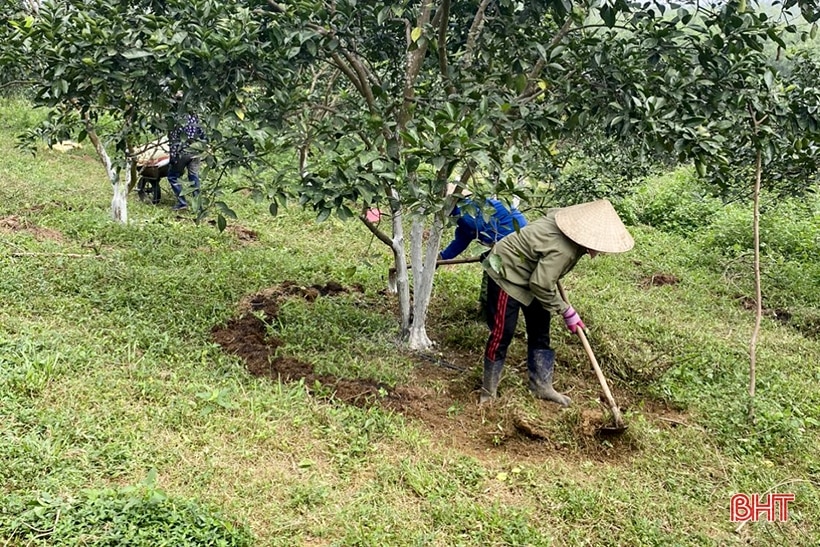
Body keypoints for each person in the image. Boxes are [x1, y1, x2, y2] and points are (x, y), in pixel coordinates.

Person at [480, 199, 634, 405]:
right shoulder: (565, 250)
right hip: (507, 272)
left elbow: (543, 278)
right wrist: (566, 310)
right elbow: (541, 284)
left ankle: (541, 386)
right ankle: (488, 393)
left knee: (540, 328)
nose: (603, 251)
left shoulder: (566, 221)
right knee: (502, 333)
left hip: (535, 273)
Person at [440, 185, 527, 318]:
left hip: (512, 236)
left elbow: (478, 228)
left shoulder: (466, 212)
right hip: (509, 236)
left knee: (493, 274)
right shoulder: (466, 213)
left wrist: (488, 250)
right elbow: (462, 240)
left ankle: (489, 312)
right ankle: (486, 309)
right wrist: (442, 257)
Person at [167, 94, 206, 211]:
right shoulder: (194, 116)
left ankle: (182, 202)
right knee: (194, 176)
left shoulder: (176, 119)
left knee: (173, 176)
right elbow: (203, 134)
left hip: (182, 152)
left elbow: (174, 140)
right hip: (196, 150)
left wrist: (172, 157)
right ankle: (198, 206)